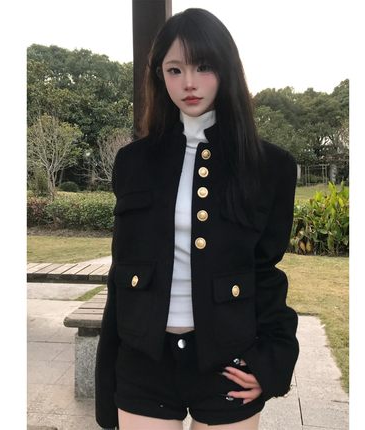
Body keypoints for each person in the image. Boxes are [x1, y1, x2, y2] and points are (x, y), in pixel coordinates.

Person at [95, 8, 299, 430]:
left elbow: (265, 271)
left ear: (226, 70)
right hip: (144, 362)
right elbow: (122, 274)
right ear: (160, 76)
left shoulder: (270, 167)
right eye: (175, 70)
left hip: (227, 359)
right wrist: (107, 375)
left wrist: (271, 361)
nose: (189, 83)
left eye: (203, 66)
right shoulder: (133, 162)